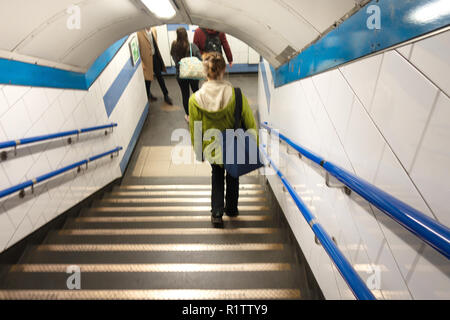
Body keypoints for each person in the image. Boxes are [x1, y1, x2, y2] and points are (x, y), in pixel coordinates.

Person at [188, 52, 257, 228]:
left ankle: (217, 213)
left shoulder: (195, 99)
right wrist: (253, 147)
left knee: (217, 175)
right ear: (223, 70)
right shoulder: (237, 95)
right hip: (233, 147)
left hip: (211, 147)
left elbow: (195, 128)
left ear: (205, 72)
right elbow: (250, 123)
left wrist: (198, 152)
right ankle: (232, 209)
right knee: (233, 175)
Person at [170, 27, 202, 122]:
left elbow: (174, 58)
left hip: (181, 75)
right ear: (186, 35)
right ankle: (199, 113)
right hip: (193, 75)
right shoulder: (192, 46)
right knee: (196, 93)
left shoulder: (174, 46)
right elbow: (200, 59)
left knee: (185, 95)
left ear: (177, 35)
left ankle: (189, 116)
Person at [137, 27, 173, 105]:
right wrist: (142, 63)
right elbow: (138, 49)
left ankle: (166, 95)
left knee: (160, 76)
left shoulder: (153, 30)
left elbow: (155, 44)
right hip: (146, 60)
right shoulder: (139, 33)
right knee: (148, 79)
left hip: (155, 57)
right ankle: (148, 95)